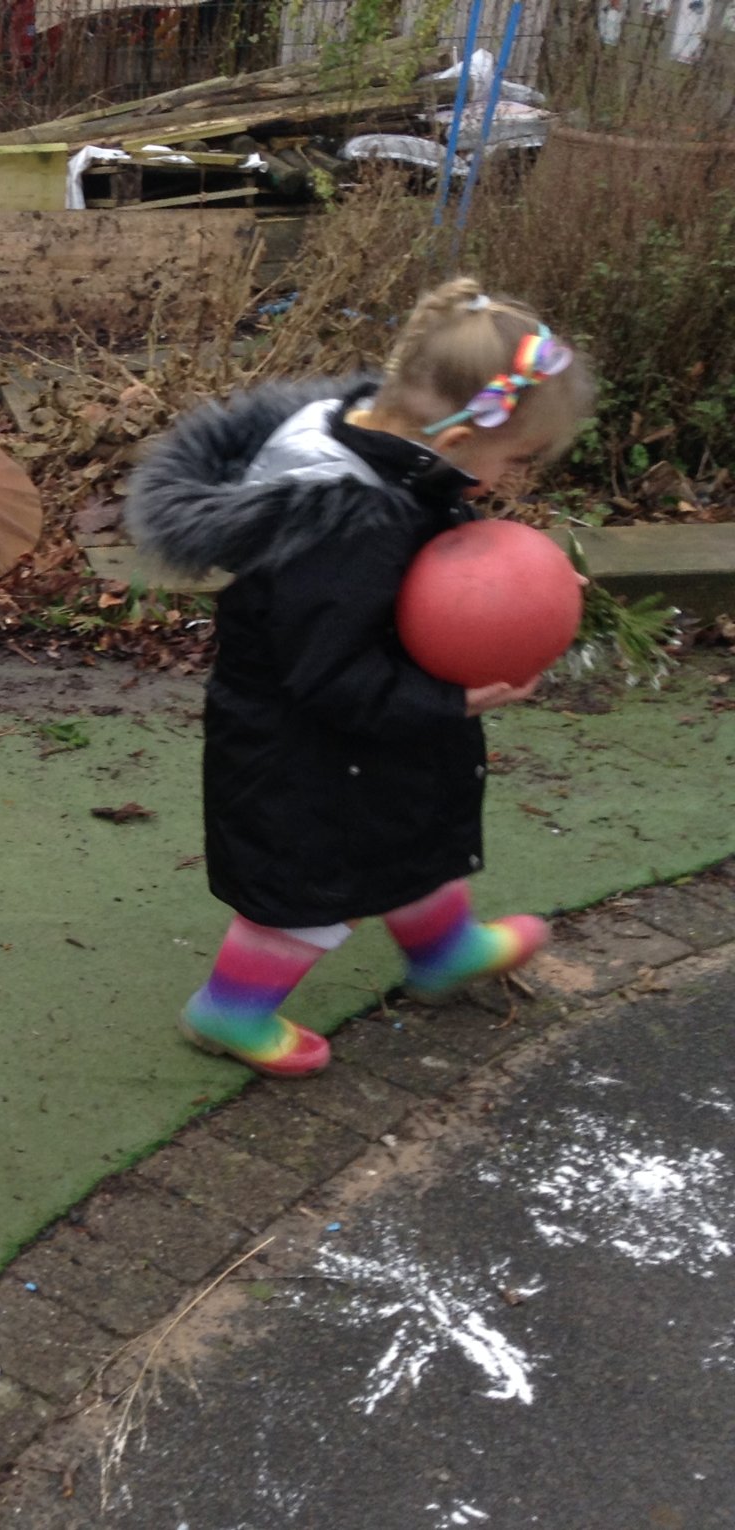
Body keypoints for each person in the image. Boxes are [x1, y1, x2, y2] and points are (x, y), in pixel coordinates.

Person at [124, 278, 595, 1078]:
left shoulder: (393, 456)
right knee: (307, 892)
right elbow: (328, 676)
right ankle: (229, 1012)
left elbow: (426, 566)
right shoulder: (346, 523)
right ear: (456, 434)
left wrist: (524, 590)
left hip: (372, 739)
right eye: (517, 459)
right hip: (303, 751)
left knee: (413, 835)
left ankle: (442, 950)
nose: (518, 479)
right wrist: (452, 698)